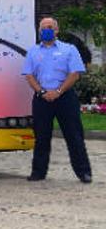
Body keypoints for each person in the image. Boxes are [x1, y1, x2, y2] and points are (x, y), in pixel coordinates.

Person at [22, 17, 92, 183]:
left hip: (65, 98)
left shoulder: (69, 49)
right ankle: (38, 173)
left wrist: (58, 91)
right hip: (42, 98)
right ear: (39, 31)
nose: (46, 30)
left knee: (74, 136)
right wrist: (42, 91)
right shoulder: (33, 51)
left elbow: (75, 73)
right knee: (41, 137)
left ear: (56, 30)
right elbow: (29, 75)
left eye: (50, 27)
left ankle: (84, 172)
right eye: (43, 27)